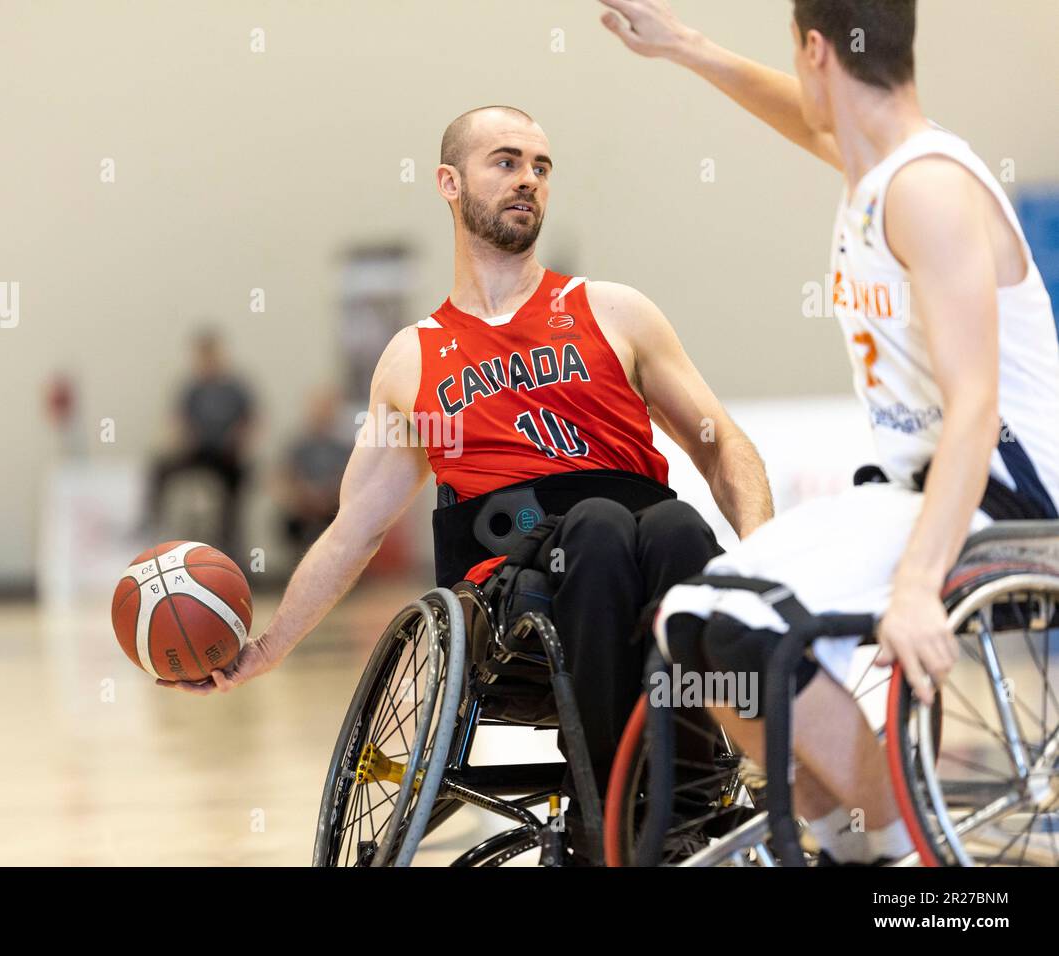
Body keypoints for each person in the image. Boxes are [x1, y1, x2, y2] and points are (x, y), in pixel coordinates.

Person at [159, 104, 773, 862]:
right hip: (517, 586)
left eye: (541, 168)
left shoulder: (614, 312)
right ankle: (612, 816)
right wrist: (266, 649)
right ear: (449, 183)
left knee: (678, 528)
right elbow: (357, 526)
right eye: (507, 162)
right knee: (600, 529)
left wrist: (769, 556)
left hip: (647, 551)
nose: (528, 181)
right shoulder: (414, 359)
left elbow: (721, 443)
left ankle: (684, 795)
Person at [598, 0, 1059, 863]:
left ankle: (901, 857)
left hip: (1002, 493)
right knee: (694, 621)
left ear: (817, 48)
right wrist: (688, 50)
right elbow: (804, 115)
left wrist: (920, 586)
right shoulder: (877, 169)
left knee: (747, 629)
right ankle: (854, 845)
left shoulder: (928, 189)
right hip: (921, 487)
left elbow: (975, 407)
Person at [145, 331, 254, 563]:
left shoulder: (235, 389)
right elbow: (177, 420)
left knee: (236, 486)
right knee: (159, 465)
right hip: (197, 451)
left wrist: (239, 440)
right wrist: (183, 437)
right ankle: (151, 520)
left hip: (226, 455)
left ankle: (231, 547)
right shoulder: (191, 389)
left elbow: (251, 421)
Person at [276, 387, 350, 568]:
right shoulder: (297, 445)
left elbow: (350, 480)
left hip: (334, 508)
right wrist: (300, 497)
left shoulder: (344, 447)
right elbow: (282, 476)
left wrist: (328, 497)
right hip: (302, 508)